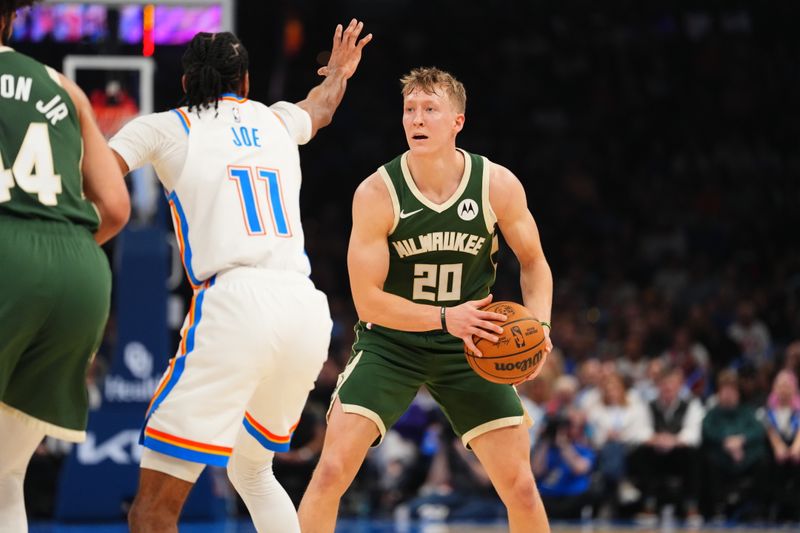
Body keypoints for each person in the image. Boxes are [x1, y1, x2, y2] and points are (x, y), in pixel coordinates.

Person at [108, 23, 371, 533]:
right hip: (303, 307)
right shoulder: (275, 121)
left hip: (236, 301)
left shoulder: (165, 127)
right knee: (251, 468)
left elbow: (96, 174)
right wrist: (339, 72)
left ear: (186, 83)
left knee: (152, 509)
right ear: (245, 82)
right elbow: (321, 105)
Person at [298, 67, 553, 533]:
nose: (417, 118)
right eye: (410, 109)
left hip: (474, 342)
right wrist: (442, 316)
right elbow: (368, 302)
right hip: (392, 344)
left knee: (519, 485)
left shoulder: (496, 184)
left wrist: (541, 328)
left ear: (457, 120)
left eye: (430, 109)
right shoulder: (377, 193)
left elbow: (535, 263)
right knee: (332, 470)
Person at [0, 1, 130, 531]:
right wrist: (54, 252)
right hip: (79, 269)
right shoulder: (61, 84)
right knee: (6, 476)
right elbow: (117, 208)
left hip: (9, 254)